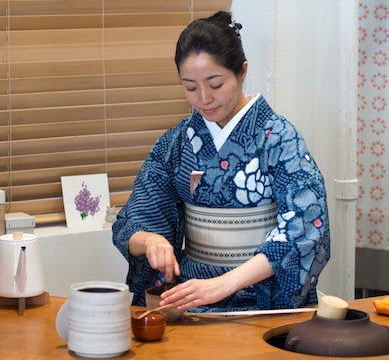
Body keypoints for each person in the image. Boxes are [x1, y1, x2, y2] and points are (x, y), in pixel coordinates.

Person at [112, 11, 330, 313]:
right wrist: (150, 241)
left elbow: (305, 226)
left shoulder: (278, 138)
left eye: (215, 84)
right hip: (192, 298)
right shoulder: (176, 142)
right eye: (190, 87)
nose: (204, 98)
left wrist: (225, 283)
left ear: (241, 72)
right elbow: (132, 220)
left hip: (260, 300)